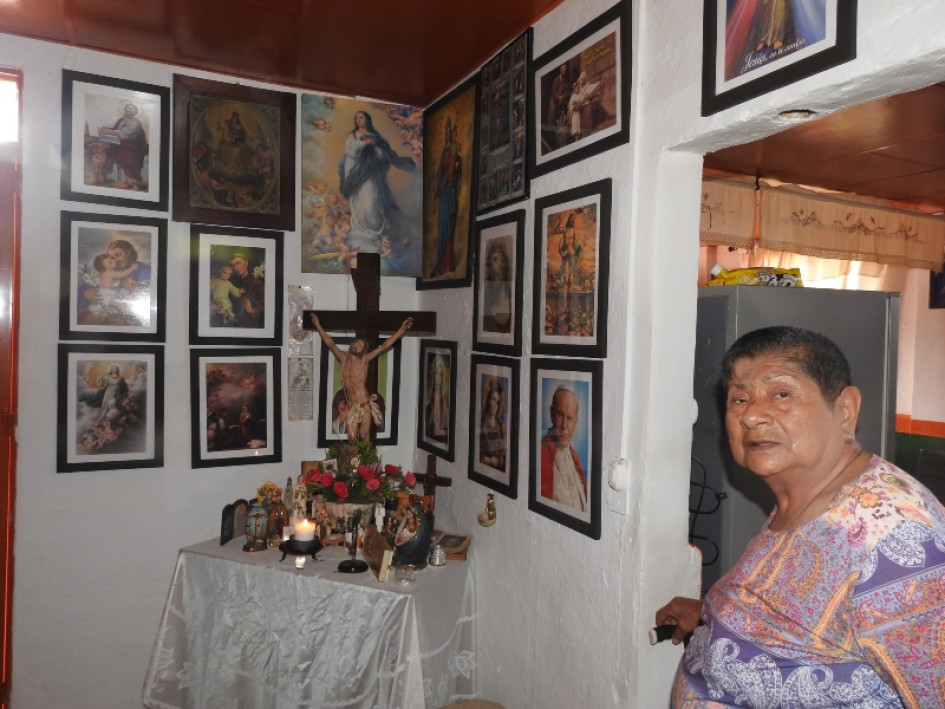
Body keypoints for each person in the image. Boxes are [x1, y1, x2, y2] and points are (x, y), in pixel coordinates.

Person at [656, 326, 945, 708]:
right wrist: (715, 613)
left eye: (781, 394)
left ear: (844, 411)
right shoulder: (805, 498)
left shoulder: (898, 539)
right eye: (739, 399)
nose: (752, 416)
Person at [310, 313, 413, 441]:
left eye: (360, 345)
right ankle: (353, 461)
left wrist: (401, 330)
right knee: (351, 438)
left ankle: (369, 461)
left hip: (364, 404)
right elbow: (330, 344)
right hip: (351, 405)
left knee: (364, 436)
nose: (356, 345)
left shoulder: (364, 360)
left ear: (363, 350)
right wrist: (318, 324)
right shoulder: (344, 359)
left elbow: (385, 346)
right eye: (355, 343)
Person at [337, 110, 415, 246]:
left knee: (372, 199)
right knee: (359, 200)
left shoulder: (376, 136)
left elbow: (383, 155)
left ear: (367, 119)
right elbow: (350, 151)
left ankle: (376, 229)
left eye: (361, 117)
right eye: (356, 118)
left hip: (371, 173)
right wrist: (364, 144)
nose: (358, 120)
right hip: (357, 174)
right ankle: (362, 229)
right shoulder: (353, 135)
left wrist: (374, 148)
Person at [539, 385, 587, 511]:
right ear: (551, 414)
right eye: (560, 415)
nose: (564, 426)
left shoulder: (576, 458)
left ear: (576, 422)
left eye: (570, 418)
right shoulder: (540, 453)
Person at [79, 239, 151, 320]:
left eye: (118, 254)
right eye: (112, 257)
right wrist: (85, 293)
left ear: (128, 253)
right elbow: (84, 288)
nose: (115, 260)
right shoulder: (108, 271)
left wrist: (137, 289)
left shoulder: (146, 270)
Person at [429, 119, 463, 277]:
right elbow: (439, 172)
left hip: (450, 192)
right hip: (443, 192)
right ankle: (441, 264)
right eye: (448, 133)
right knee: (442, 227)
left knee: (449, 224)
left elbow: (457, 171)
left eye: (453, 133)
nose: (451, 136)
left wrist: (455, 167)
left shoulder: (457, 154)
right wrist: (437, 187)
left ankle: (448, 262)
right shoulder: (445, 153)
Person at [98, 102, 147, 188]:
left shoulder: (135, 123)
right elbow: (116, 128)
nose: (126, 111)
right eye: (125, 110)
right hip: (120, 146)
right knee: (120, 163)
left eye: (128, 110)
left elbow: (124, 132)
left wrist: (108, 132)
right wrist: (107, 128)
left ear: (133, 112)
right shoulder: (122, 120)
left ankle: (133, 183)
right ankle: (122, 182)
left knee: (130, 165)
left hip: (131, 149)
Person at [88, 251, 139, 316]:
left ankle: (130, 303)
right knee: (117, 303)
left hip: (112, 291)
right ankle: (128, 313)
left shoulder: (112, 271)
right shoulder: (108, 272)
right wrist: (131, 269)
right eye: (110, 262)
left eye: (112, 259)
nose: (114, 260)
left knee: (124, 292)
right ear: (104, 267)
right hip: (105, 294)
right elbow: (123, 274)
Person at [228, 252, 265, 329]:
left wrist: (252, 310)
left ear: (246, 263)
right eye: (233, 265)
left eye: (238, 263)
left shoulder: (256, 283)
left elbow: (264, 306)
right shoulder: (232, 283)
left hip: (251, 326)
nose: (236, 268)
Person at [482, 238, 512, 334]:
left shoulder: (513, 301)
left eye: (495, 259)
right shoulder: (485, 304)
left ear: (503, 264)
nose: (492, 267)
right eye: (490, 263)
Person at [479, 376, 506, 471]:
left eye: (498, 402)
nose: (495, 406)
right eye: (493, 400)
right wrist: (490, 461)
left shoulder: (499, 425)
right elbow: (477, 450)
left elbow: (502, 453)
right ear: (488, 399)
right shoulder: (481, 421)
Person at [425, 355, 449, 441]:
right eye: (436, 374)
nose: (438, 378)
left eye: (441, 375)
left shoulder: (446, 402)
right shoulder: (427, 403)